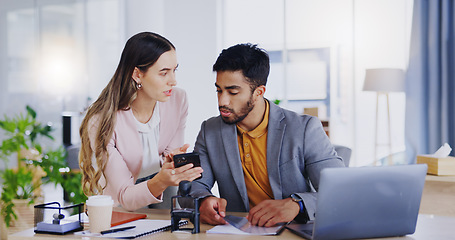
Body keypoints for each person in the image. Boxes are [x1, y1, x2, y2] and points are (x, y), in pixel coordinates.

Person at [189, 43, 345, 227]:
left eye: (233, 92)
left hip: (294, 231)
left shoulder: (304, 129)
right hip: (238, 233)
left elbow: (339, 191)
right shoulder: (210, 131)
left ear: (258, 92)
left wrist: (297, 204)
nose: (222, 101)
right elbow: (196, 185)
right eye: (219, 90)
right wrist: (204, 200)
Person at [78, 32, 203, 211]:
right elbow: (124, 195)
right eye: (164, 73)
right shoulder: (101, 122)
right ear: (137, 74)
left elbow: (168, 158)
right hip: (120, 212)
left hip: (163, 203)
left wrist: (171, 166)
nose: (173, 81)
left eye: (174, 70)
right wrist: (161, 178)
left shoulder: (178, 100)